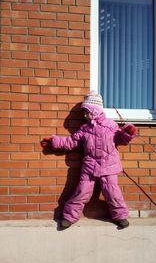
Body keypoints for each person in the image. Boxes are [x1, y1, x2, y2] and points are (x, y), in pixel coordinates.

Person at [41, 91, 137, 229]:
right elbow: (71, 142)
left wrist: (128, 132)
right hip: (90, 167)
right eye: (84, 113)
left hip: (109, 166)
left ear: (95, 111)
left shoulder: (111, 126)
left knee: (112, 192)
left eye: (87, 112)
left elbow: (121, 139)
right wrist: (54, 142)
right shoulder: (85, 129)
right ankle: (69, 216)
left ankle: (120, 216)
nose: (85, 116)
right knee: (82, 191)